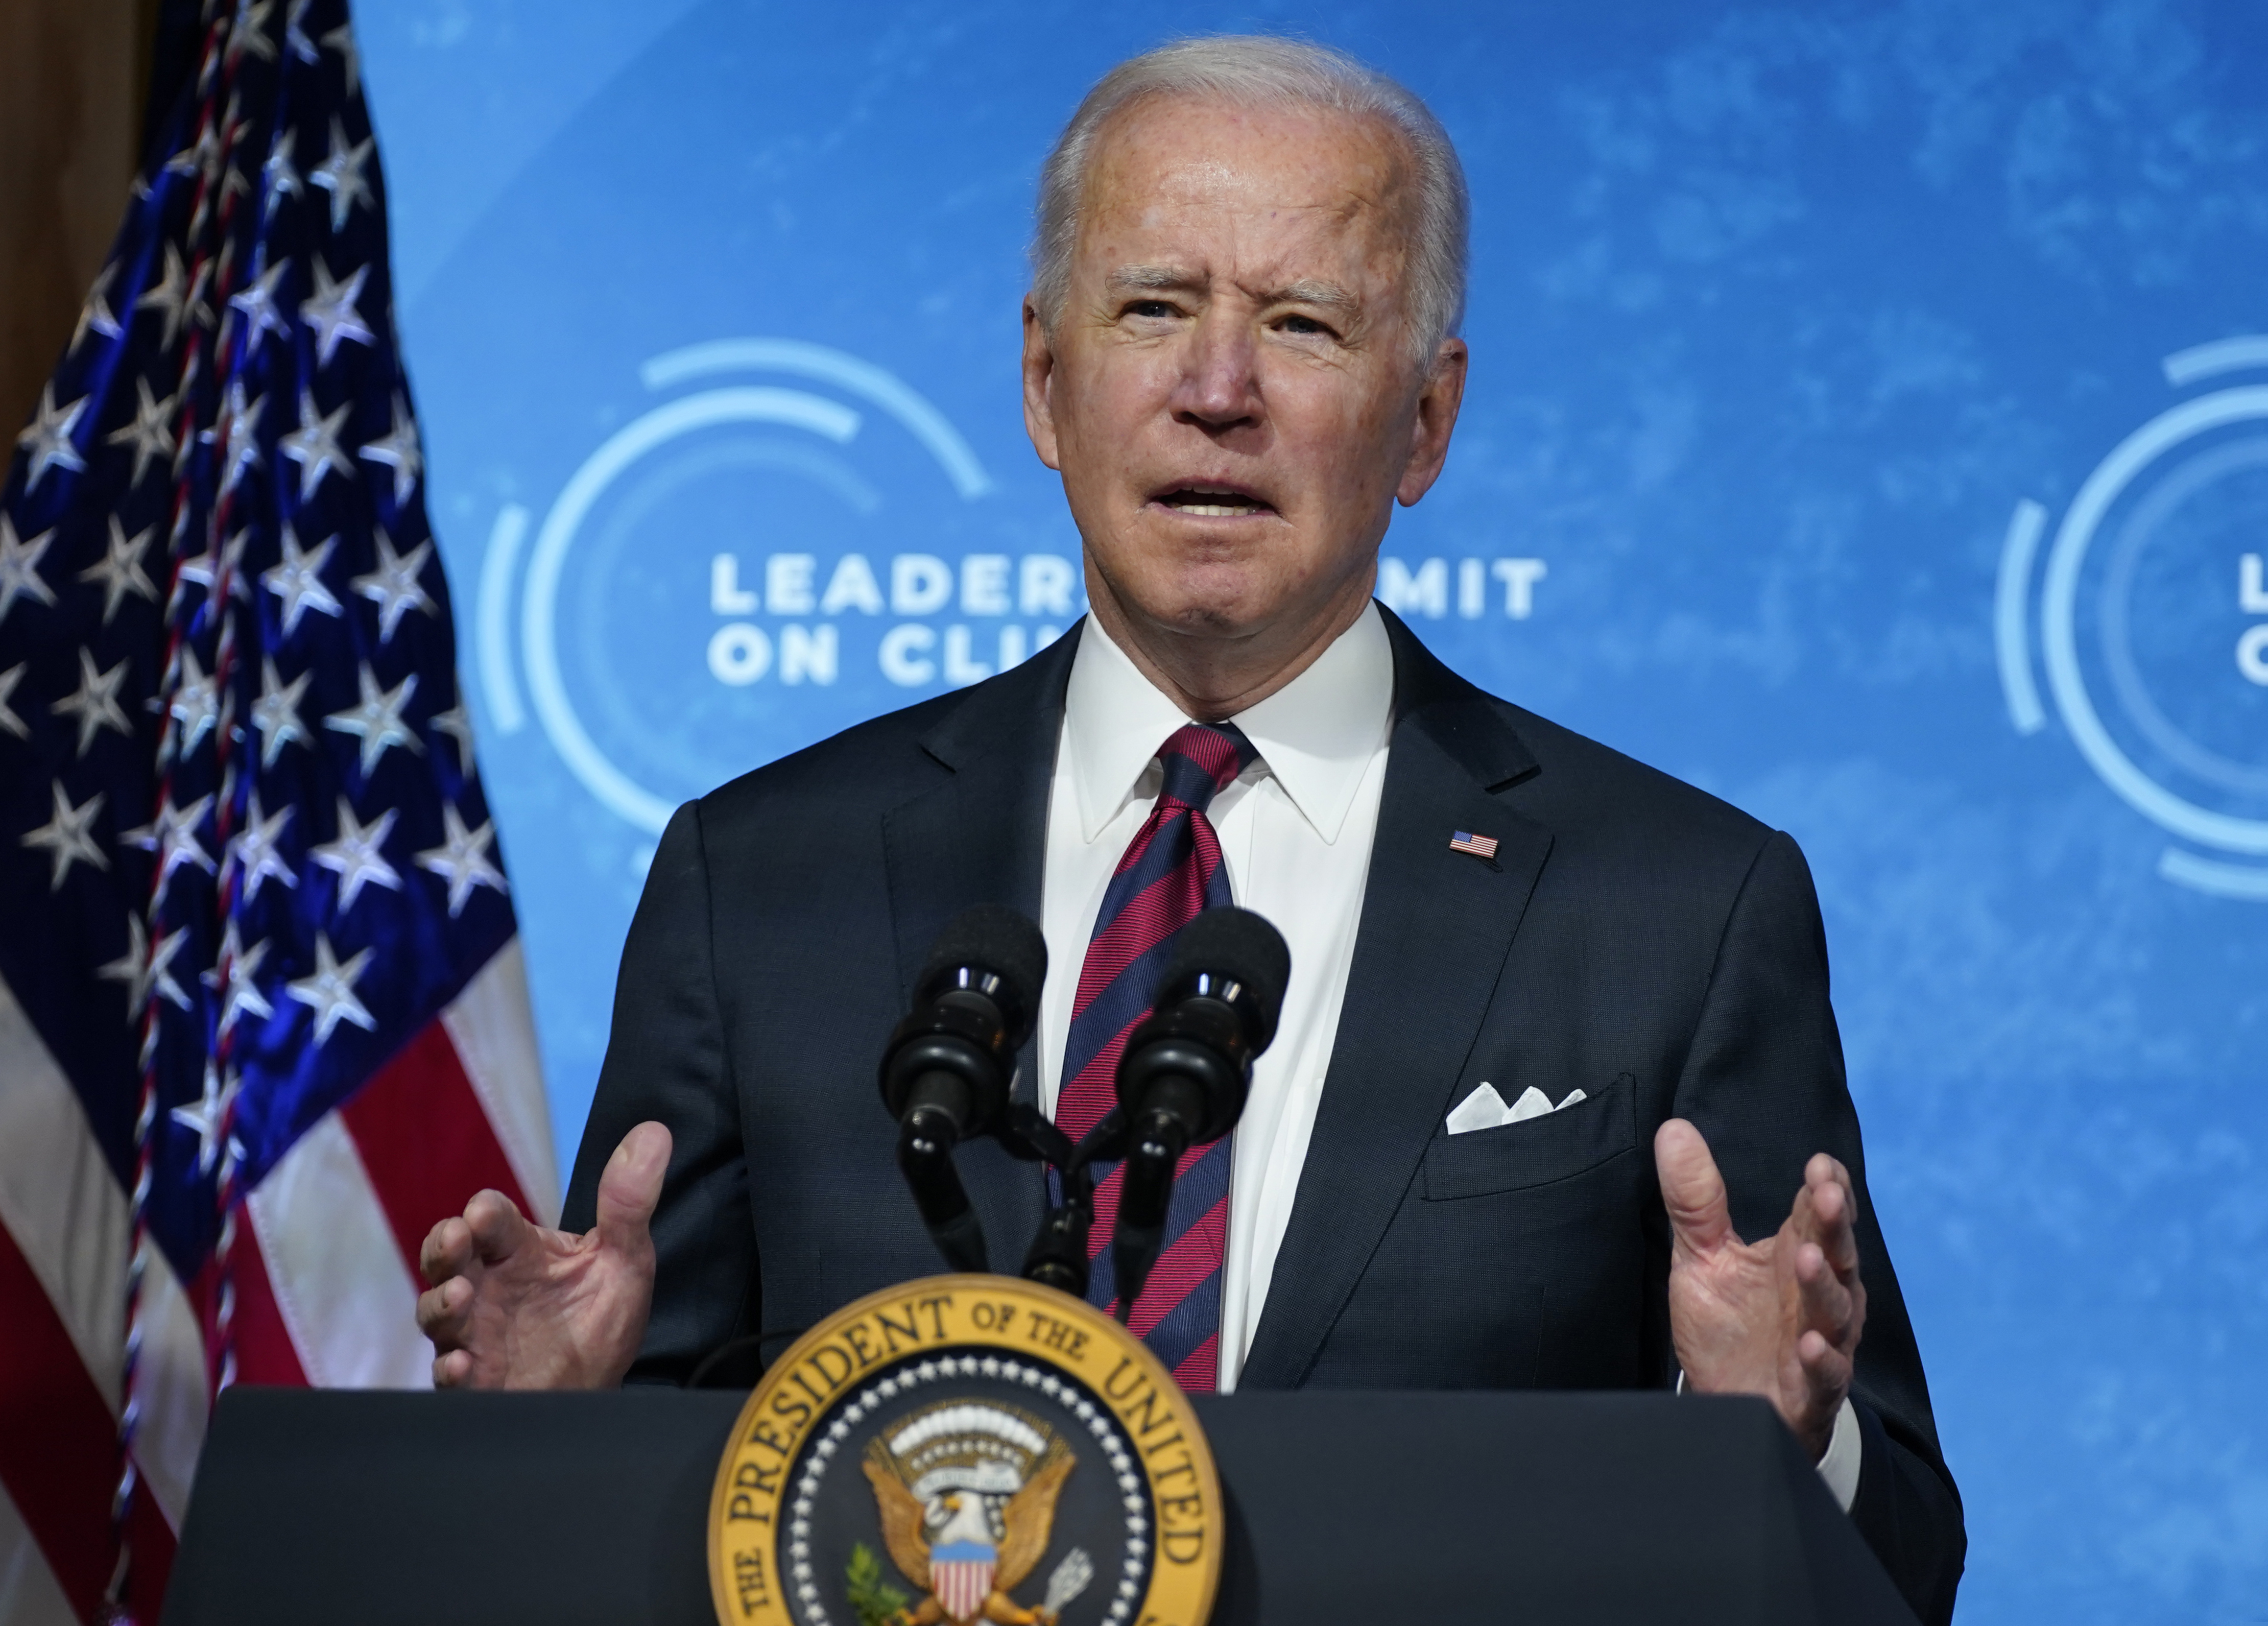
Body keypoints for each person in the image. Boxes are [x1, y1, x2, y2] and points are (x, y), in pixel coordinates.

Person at [416, 36, 1964, 1619]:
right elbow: (650, 1521)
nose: (1216, 392)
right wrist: (552, 1439)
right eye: (1153, 308)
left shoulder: (1678, 907)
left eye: (1303, 325)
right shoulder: (763, 882)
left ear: (1426, 420)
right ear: (1043, 380)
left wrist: (1781, 1440)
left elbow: (1909, 1561)